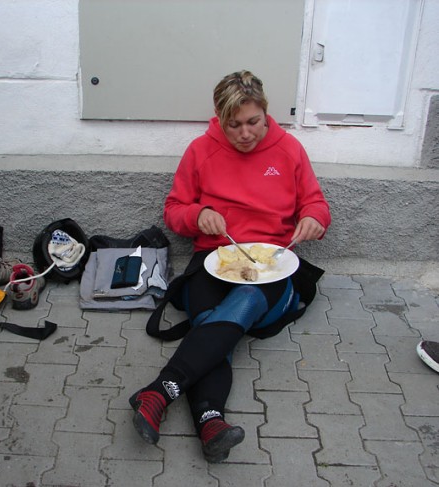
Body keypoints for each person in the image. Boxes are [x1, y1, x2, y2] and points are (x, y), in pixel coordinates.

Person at [129, 70, 332, 463]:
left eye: (253, 122)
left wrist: (314, 219)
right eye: (233, 124)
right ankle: (211, 424)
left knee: (240, 305)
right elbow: (174, 210)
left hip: (271, 266)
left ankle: (159, 391)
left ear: (266, 112)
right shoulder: (201, 150)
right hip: (215, 259)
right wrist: (197, 214)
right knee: (213, 325)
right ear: (220, 117)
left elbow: (316, 203)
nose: (245, 133)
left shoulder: (289, 149)